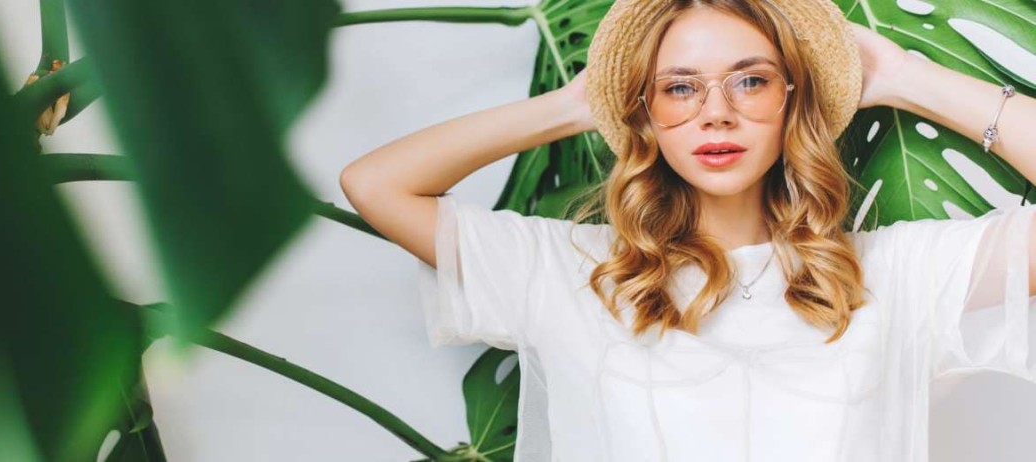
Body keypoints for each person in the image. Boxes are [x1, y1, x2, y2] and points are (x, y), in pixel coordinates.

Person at [339, 0, 1036, 460]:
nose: (716, 113)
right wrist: (580, 102)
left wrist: (905, 77)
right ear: (645, 110)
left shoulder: (893, 274)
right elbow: (374, 184)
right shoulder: (570, 271)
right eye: (679, 87)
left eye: (750, 81)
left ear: (792, 98)